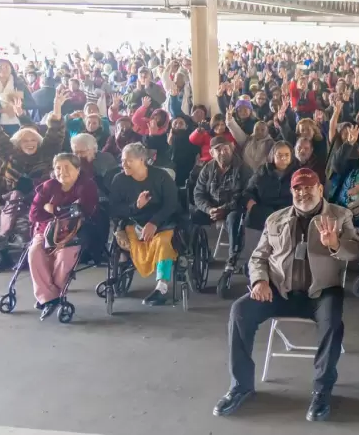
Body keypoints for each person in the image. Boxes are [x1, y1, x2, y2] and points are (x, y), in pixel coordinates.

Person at [213, 169, 359, 421]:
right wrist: (260, 280)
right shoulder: (276, 219)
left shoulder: (340, 215)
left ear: (320, 189)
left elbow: (354, 254)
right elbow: (258, 256)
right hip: (279, 290)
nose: (302, 193)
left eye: (308, 187)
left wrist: (335, 244)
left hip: (321, 292)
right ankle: (241, 385)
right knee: (240, 311)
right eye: (297, 188)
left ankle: (321, 390)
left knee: (332, 321)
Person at [27, 153, 98, 319]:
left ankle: (53, 294)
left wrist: (53, 209)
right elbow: (33, 214)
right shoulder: (48, 186)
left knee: (64, 258)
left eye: (67, 167)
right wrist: (60, 211)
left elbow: (85, 211)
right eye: (58, 168)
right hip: (46, 230)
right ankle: (48, 298)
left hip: (73, 232)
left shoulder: (86, 186)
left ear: (77, 169)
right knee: (35, 253)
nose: (62, 172)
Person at [108, 142, 181, 306]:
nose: (124, 164)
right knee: (135, 243)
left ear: (142, 160)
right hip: (133, 223)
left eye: (129, 161)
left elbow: (171, 204)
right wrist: (136, 206)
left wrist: (154, 222)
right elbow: (114, 208)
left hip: (162, 222)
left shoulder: (161, 176)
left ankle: (161, 288)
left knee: (163, 244)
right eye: (123, 160)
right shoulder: (119, 180)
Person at [193, 136, 249, 265]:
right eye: (218, 149)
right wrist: (209, 209)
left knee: (234, 218)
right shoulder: (207, 169)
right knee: (193, 216)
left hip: (233, 208)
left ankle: (232, 258)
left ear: (232, 149)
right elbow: (198, 194)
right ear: (212, 153)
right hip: (212, 208)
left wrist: (226, 209)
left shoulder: (243, 168)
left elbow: (244, 195)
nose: (223, 152)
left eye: (226, 148)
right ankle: (199, 253)